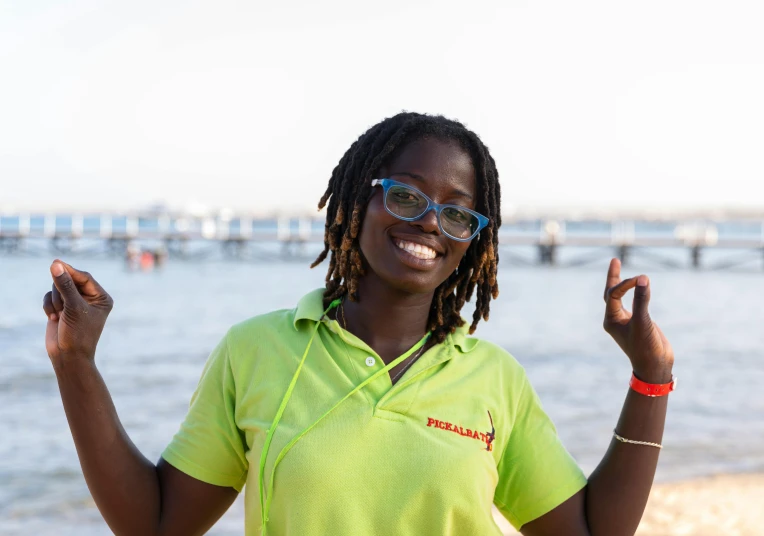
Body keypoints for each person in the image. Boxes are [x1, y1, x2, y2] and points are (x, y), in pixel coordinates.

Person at [42, 112, 675, 536]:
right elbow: (155, 522)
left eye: (457, 214)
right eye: (405, 195)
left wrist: (652, 377)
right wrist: (75, 364)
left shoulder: (494, 380)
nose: (430, 223)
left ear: (473, 242)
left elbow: (592, 531)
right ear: (355, 202)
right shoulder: (256, 350)